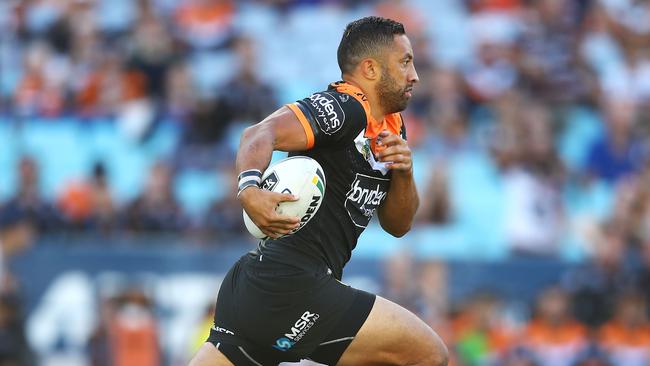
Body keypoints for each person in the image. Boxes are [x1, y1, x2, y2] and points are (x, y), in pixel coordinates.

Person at [188, 16, 448, 365]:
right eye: (405, 62)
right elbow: (258, 134)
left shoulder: (390, 127)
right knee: (427, 354)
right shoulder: (344, 109)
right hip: (291, 284)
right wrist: (249, 189)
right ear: (370, 69)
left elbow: (398, 225)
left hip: (259, 289)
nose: (414, 74)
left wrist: (404, 172)